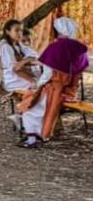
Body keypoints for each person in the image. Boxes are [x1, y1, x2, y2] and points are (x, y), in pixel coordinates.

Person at [16, 17, 90, 148]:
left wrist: (38, 85)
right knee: (34, 103)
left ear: (58, 30)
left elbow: (48, 74)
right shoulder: (81, 49)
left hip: (54, 90)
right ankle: (38, 134)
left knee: (30, 107)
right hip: (70, 92)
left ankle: (32, 139)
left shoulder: (55, 48)